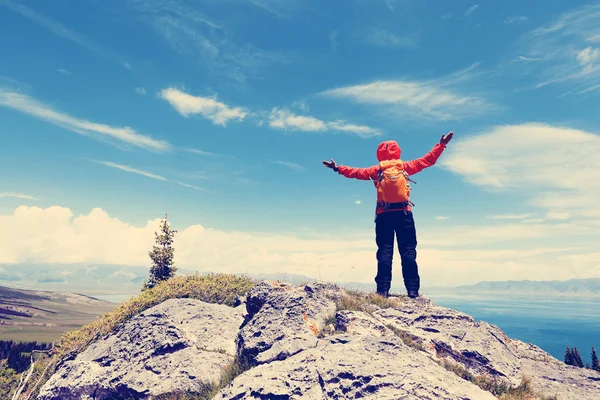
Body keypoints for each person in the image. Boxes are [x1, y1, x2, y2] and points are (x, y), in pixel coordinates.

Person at [322, 132, 454, 298]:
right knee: (408, 253)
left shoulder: (377, 170)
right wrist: (441, 145)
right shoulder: (405, 167)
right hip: (404, 214)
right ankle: (412, 292)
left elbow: (356, 172)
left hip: (384, 214)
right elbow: (428, 160)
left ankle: (382, 291)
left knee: (384, 253)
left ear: (379, 153)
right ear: (397, 151)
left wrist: (337, 168)